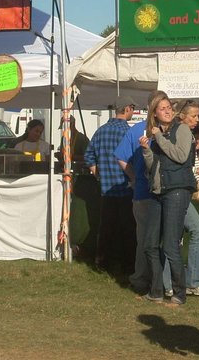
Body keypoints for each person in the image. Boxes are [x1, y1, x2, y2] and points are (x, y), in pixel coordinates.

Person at [141, 93, 197, 305]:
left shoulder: (181, 129)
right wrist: (146, 150)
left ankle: (179, 294)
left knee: (171, 245)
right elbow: (152, 167)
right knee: (150, 244)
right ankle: (156, 291)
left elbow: (181, 156)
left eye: (169, 107)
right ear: (154, 112)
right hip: (158, 191)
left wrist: (159, 138)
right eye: (162, 108)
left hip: (177, 190)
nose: (167, 110)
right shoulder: (156, 136)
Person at [113, 91, 166, 297]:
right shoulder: (142, 130)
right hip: (148, 194)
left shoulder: (137, 130)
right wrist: (135, 177)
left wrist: (133, 176)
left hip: (145, 192)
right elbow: (121, 156)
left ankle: (146, 279)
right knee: (152, 239)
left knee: (145, 238)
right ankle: (149, 279)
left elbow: (120, 157)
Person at [162, 100, 199, 297]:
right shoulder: (180, 131)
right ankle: (189, 281)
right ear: (182, 116)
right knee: (196, 232)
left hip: (179, 189)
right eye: (194, 116)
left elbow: (190, 163)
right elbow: (180, 159)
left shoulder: (184, 133)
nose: (197, 120)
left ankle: (169, 283)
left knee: (175, 237)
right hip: (176, 190)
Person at [84, 96, 136, 273]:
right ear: (127, 109)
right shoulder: (129, 133)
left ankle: (102, 263)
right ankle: (127, 263)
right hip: (126, 187)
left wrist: (99, 174)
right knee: (128, 228)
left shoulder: (101, 131)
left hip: (106, 188)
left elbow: (88, 156)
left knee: (106, 227)